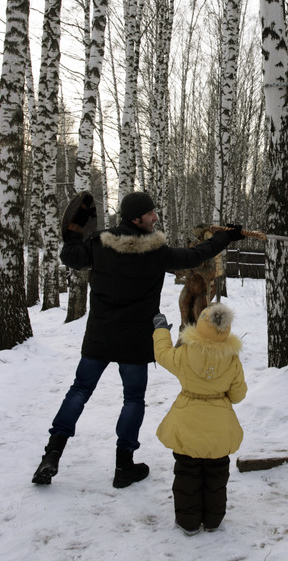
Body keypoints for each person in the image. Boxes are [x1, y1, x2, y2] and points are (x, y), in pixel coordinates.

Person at [31, 191, 245, 488]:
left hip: (100, 336)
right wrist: (226, 237)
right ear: (136, 219)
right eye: (150, 213)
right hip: (135, 339)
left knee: (79, 390)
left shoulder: (98, 244)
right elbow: (197, 255)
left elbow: (70, 255)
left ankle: (52, 455)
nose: (156, 217)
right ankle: (124, 467)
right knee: (133, 399)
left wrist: (74, 230)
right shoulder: (157, 252)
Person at [153, 303, 247, 535]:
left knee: (186, 474)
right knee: (216, 477)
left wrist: (161, 330)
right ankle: (213, 521)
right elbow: (238, 395)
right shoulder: (232, 358)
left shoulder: (185, 353)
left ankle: (188, 523)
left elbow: (162, 354)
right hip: (219, 430)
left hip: (187, 427)